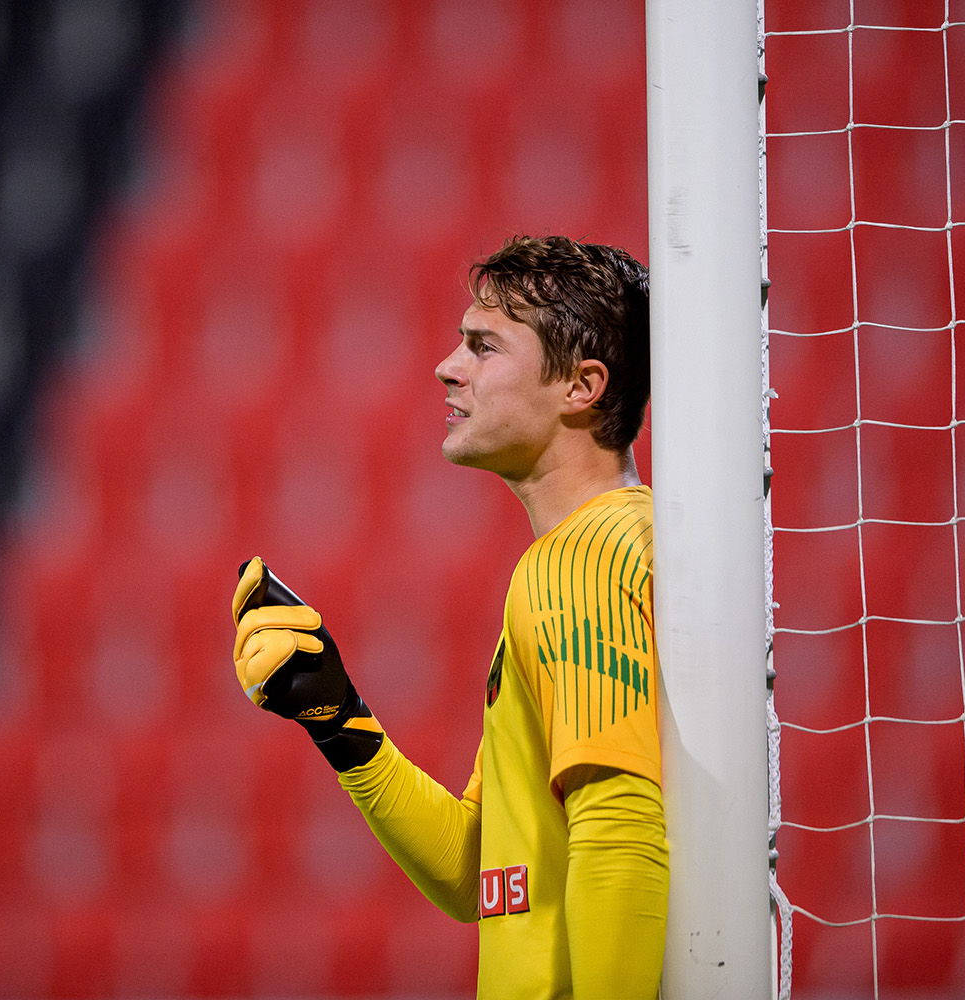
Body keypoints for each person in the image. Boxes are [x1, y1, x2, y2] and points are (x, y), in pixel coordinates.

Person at [231, 235, 668, 999]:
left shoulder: (582, 557)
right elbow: (480, 871)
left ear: (581, 386)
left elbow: (620, 826)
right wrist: (340, 721)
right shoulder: (611, 546)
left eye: (483, 346)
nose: (447, 366)